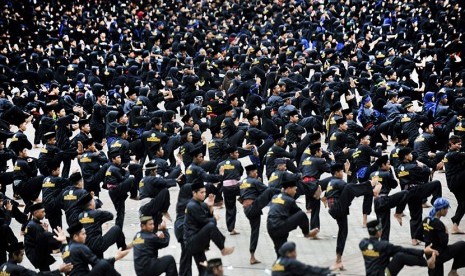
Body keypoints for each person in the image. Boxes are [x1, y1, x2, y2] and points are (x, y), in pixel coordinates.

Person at [325, 162, 381, 270]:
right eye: (341, 171)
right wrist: (370, 184)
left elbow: (341, 189)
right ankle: (370, 184)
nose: (342, 173)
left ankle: (338, 260)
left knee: (343, 232)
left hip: (336, 210)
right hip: (338, 208)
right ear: (337, 172)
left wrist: (323, 197)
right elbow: (349, 188)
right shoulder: (338, 182)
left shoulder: (330, 181)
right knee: (350, 187)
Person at [183, 181, 234, 276]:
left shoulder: (199, 204)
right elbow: (205, 222)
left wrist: (210, 207)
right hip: (192, 241)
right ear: (194, 193)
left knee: (203, 269)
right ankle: (222, 249)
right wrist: (214, 218)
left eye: (205, 192)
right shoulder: (192, 205)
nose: (204, 194)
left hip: (196, 241)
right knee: (211, 226)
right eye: (201, 192)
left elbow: (207, 216)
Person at [396, 147, 442, 245]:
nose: (411, 155)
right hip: (417, 190)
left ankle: (414, 239)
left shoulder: (398, 168)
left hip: (408, 193)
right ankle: (437, 204)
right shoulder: (414, 166)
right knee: (436, 183)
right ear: (406, 156)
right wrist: (423, 165)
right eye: (410, 154)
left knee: (415, 216)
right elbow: (426, 173)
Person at [359, 219, 437, 276]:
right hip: (384, 274)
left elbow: (371, 246)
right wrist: (423, 251)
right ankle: (427, 263)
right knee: (400, 256)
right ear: (379, 231)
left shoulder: (363, 244)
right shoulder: (384, 246)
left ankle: (427, 263)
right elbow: (403, 250)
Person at [239, 164, 280, 264]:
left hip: (247, 209)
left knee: (255, 231)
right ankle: (284, 195)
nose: (257, 173)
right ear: (252, 172)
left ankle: (252, 256)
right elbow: (267, 190)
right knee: (270, 190)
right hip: (253, 206)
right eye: (255, 172)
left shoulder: (243, 182)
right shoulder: (255, 181)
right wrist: (281, 191)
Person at [267, 179, 318, 257]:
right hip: (280, 225)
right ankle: (307, 233)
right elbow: (299, 215)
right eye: (295, 189)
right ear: (288, 189)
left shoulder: (275, 197)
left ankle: (280, 266)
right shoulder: (290, 200)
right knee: (301, 214)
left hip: (270, 226)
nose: (295, 192)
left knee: (280, 251)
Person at [63, 222, 130, 276]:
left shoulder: (65, 249)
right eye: (83, 234)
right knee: (104, 264)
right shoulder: (79, 247)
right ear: (75, 236)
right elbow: (97, 263)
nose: (85, 236)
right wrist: (116, 257)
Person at [422, 198, 465, 276]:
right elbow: (444, 243)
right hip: (439, 254)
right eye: (446, 209)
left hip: (428, 253)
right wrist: (446, 232)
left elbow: (418, 234)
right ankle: (453, 271)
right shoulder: (439, 224)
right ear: (441, 209)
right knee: (462, 245)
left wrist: (429, 242)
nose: (447, 211)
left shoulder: (426, 219)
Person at [371, 155, 409, 241]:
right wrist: (391, 173)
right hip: (384, 200)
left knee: (381, 225)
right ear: (383, 165)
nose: (389, 166)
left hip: (376, 201)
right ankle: (398, 213)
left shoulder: (372, 174)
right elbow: (395, 185)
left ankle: (380, 244)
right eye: (388, 164)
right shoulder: (387, 173)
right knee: (405, 193)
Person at [77, 193, 127, 258]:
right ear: (91, 204)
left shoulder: (80, 216)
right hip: (98, 245)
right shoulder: (97, 213)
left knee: (98, 263)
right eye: (93, 201)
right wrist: (97, 210)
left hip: (86, 247)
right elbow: (110, 216)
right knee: (117, 228)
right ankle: (123, 248)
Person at [24, 203, 66, 271]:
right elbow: (42, 241)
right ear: (35, 213)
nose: (45, 214)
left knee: (45, 270)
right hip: (36, 253)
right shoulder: (35, 226)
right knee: (45, 271)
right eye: (42, 212)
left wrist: (45, 231)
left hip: (35, 252)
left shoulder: (34, 224)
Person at [0, 241, 73, 275]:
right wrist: (58, 270)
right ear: (14, 255)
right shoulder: (19, 269)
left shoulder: (2, 266)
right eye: (21, 255)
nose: (22, 258)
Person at [104, 147, 134, 228]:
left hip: (112, 191)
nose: (120, 159)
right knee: (131, 179)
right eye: (118, 158)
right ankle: (134, 195)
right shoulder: (114, 169)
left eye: (120, 157)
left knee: (120, 212)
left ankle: (118, 229)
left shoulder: (111, 168)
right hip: (116, 190)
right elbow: (124, 179)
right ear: (113, 160)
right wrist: (127, 172)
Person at [216, 146, 243, 235]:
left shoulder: (221, 164)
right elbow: (241, 173)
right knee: (248, 191)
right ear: (231, 154)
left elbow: (218, 175)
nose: (238, 154)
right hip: (236, 186)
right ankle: (242, 199)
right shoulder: (237, 163)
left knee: (230, 208)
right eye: (236, 152)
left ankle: (231, 228)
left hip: (226, 188)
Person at [443, 135, 465, 234]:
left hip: (456, 182)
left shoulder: (449, 155)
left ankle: (455, 225)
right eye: (458, 144)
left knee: (462, 203)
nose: (460, 146)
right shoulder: (453, 155)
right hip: (457, 183)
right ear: (451, 144)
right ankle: (455, 223)